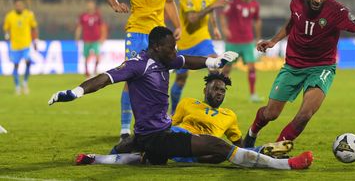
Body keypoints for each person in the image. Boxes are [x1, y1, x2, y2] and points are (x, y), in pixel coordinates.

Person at [48, 26, 312, 170]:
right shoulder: (138, 65)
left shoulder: (165, 59)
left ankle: (95, 159)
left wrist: (214, 61)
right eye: (170, 47)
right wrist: (76, 91)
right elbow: (105, 78)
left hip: (149, 135)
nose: (174, 51)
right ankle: (286, 165)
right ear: (155, 47)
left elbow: (189, 61)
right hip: (158, 136)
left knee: (143, 158)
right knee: (218, 147)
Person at [243, 0, 355, 147]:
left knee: (305, 114)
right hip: (293, 66)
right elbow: (292, 23)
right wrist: (273, 41)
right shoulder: (295, 2)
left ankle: (276, 149)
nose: (317, 0)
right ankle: (252, 132)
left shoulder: (337, 11)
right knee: (271, 113)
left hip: (321, 67)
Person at [74, 72, 294, 165]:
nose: (219, 92)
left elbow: (239, 146)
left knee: (219, 154)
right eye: (215, 88)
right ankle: (100, 157)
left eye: (222, 91)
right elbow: (170, 124)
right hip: (178, 139)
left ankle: (270, 154)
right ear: (205, 89)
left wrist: (253, 139)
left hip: (199, 153)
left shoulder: (230, 116)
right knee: (141, 143)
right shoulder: (188, 102)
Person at [106, 0, 181, 139]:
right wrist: (115, 4)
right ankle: (124, 128)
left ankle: (158, 121)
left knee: (162, 78)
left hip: (158, 34)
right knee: (130, 78)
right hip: (137, 30)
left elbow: (170, 2)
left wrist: (178, 26)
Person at [170, 0, 229, 114]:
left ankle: (212, 108)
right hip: (185, 43)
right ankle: (174, 112)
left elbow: (212, 12)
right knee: (180, 81)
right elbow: (192, 19)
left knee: (215, 66)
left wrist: (215, 27)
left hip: (203, 39)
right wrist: (212, 6)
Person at [220, 0, 262, 102]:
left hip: (248, 41)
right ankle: (220, 92)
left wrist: (257, 37)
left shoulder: (255, 5)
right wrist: (224, 29)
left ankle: (253, 95)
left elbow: (257, 20)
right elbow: (223, 15)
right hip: (233, 41)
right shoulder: (233, 3)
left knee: (252, 67)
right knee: (227, 68)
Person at [3, 0, 39, 95]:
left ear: (23, 5)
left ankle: (25, 82)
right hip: (14, 46)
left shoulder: (29, 15)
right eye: (17, 5)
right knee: (16, 66)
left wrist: (35, 41)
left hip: (25, 45)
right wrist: (6, 34)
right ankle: (17, 86)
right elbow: (6, 28)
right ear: (15, 5)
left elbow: (34, 28)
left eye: (20, 5)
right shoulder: (9, 16)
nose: (19, 6)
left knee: (28, 62)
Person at [75, 0, 107, 77]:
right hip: (86, 39)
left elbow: (102, 26)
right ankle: (86, 71)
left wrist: (103, 37)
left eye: (91, 4)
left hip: (96, 39)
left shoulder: (97, 15)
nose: (90, 6)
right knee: (86, 56)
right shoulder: (83, 16)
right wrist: (77, 37)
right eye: (89, 4)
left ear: (94, 5)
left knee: (97, 56)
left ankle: (95, 70)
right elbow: (79, 27)